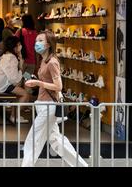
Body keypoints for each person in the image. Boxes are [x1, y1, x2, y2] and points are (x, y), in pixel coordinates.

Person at [22, 31, 88, 167]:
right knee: (56, 140)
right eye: (36, 41)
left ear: (48, 44)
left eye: (40, 41)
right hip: (42, 104)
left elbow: (58, 86)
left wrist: (38, 83)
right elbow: (46, 81)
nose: (36, 43)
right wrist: (36, 81)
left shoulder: (52, 62)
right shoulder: (43, 60)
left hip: (49, 106)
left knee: (33, 139)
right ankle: (81, 165)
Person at [0, 36, 30, 123]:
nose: (20, 46)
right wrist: (21, 67)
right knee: (25, 94)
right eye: (19, 45)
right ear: (14, 47)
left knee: (19, 92)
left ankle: (14, 115)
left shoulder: (5, 55)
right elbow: (15, 79)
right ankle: (14, 116)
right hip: (3, 86)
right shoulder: (12, 58)